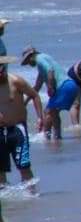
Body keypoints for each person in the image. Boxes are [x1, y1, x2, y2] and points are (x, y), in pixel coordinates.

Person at [0, 56, 44, 187]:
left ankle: (32, 195)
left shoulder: (16, 81)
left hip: (17, 130)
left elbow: (34, 95)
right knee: (0, 171)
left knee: (24, 166)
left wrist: (39, 117)